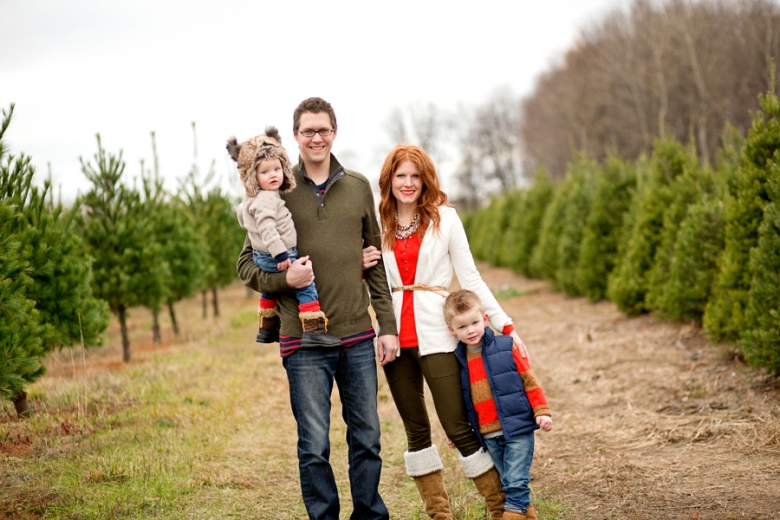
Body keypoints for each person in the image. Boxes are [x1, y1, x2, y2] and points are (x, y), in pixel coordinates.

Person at [236, 97, 399, 520]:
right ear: (294, 136)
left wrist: (387, 325)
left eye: (323, 129)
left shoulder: (358, 187)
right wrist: (284, 281)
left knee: (367, 439)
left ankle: (370, 515)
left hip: (357, 335)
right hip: (304, 340)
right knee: (314, 446)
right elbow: (246, 264)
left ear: (334, 132)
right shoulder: (275, 188)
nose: (316, 138)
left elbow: (374, 260)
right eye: (307, 130)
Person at [362, 144, 530, 519]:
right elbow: (368, 278)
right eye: (401, 176)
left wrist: (505, 324)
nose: (408, 183)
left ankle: (503, 508)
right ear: (389, 180)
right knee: (415, 430)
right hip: (392, 337)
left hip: (437, 334)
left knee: (458, 425)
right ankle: (439, 513)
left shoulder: (446, 219)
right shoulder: (377, 222)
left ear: (426, 180)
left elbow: (471, 278)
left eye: (415, 176)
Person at [444, 289, 552, 520]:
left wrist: (541, 410)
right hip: (488, 433)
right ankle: (527, 515)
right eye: (462, 326)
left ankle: (512, 516)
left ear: (485, 319)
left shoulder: (506, 346)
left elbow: (529, 379)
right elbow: (462, 400)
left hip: (518, 427)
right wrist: (455, 430)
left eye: (474, 323)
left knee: (515, 481)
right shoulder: (458, 361)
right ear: (451, 330)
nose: (470, 330)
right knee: (508, 482)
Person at [229, 126, 340, 348]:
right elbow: (267, 228)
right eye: (265, 172)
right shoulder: (267, 199)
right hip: (278, 254)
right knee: (305, 285)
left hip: (262, 255)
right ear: (252, 176)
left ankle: (267, 326)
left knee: (270, 290)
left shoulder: (251, 198)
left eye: (277, 169)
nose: (273, 175)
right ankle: (313, 329)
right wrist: (280, 254)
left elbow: (244, 218)